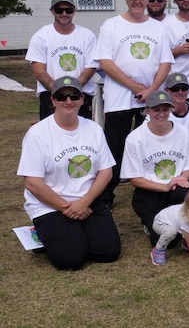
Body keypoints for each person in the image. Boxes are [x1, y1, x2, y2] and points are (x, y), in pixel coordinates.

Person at [16, 76, 121, 270]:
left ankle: (74, 232)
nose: (68, 101)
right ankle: (43, 234)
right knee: (71, 260)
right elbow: (32, 183)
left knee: (108, 253)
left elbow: (105, 171)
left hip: (87, 200)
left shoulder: (94, 129)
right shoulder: (37, 134)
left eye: (74, 96)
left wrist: (84, 203)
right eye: (61, 97)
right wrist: (68, 208)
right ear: (53, 100)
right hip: (51, 204)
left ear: (82, 99)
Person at [94, 0, 174, 203]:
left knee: (147, 145)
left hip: (149, 99)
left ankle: (148, 191)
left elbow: (165, 62)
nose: (137, 1)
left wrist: (151, 90)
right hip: (119, 100)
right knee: (114, 148)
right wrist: (135, 87)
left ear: (147, 0)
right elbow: (105, 62)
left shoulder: (158, 28)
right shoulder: (111, 25)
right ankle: (105, 195)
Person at [121, 90, 189, 246]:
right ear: (147, 110)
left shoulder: (184, 133)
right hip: (149, 191)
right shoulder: (135, 138)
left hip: (177, 189)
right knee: (166, 240)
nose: (161, 114)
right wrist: (164, 186)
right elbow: (134, 178)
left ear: (171, 109)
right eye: (156, 109)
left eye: (165, 109)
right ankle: (151, 223)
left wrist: (182, 178)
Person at [26, 0, 97, 120]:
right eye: (59, 10)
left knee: (83, 134)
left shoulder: (87, 36)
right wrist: (58, 93)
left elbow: (90, 67)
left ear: (74, 11)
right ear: (52, 11)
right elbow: (39, 71)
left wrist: (74, 91)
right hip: (50, 96)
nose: (64, 13)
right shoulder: (41, 36)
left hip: (81, 95)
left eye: (68, 10)